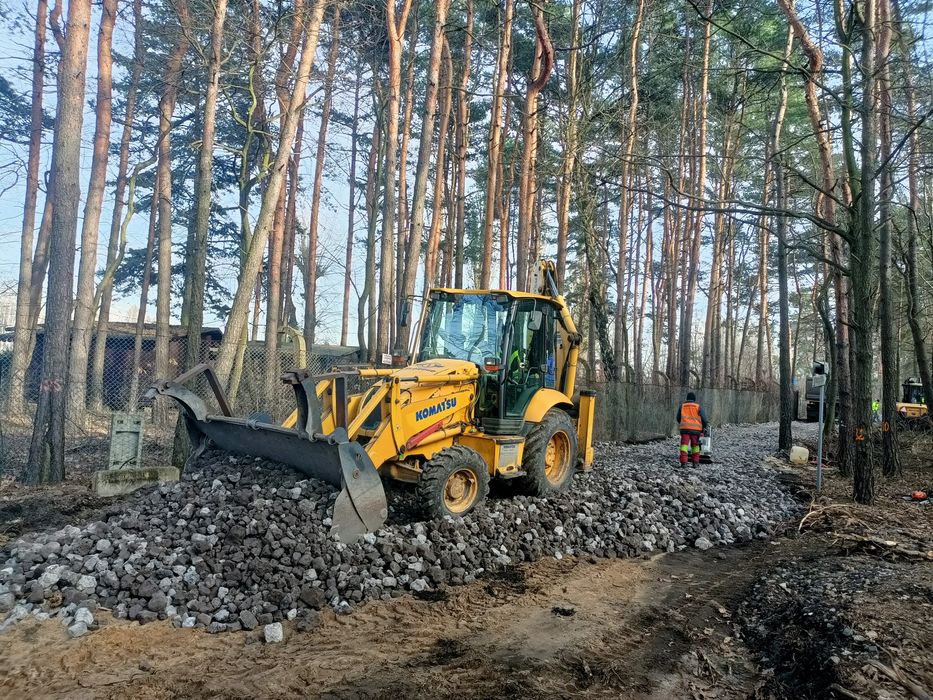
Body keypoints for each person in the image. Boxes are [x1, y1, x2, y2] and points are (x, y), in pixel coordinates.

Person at [677, 391, 708, 465]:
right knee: (695, 446)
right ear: (694, 399)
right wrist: (703, 427)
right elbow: (704, 419)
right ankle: (695, 462)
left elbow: (678, 418)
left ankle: (684, 462)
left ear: (687, 398)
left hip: (684, 429)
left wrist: (683, 424)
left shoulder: (682, 406)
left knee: (684, 445)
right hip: (696, 430)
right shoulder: (698, 407)